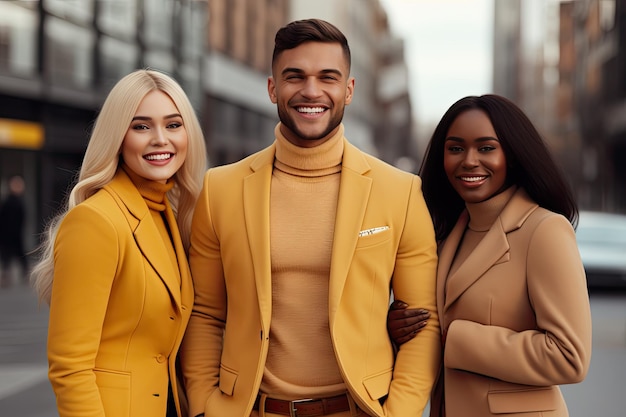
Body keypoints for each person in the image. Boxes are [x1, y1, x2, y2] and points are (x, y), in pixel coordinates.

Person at [179, 18, 440, 417]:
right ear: (272, 88)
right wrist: (205, 405)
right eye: (294, 76)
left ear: (349, 90)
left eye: (328, 77)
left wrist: (398, 412)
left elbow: (425, 323)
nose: (311, 91)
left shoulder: (400, 191)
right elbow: (206, 313)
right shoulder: (220, 189)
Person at [387, 94, 592, 417]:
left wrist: (455, 339)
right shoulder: (446, 233)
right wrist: (399, 329)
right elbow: (435, 324)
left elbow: (568, 357)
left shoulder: (545, 230)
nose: (469, 160)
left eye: (486, 148)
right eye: (455, 148)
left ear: (512, 155)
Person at [30, 69, 207, 417]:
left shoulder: (170, 216)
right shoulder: (95, 221)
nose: (160, 139)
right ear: (118, 137)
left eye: (173, 125)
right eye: (141, 126)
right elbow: (70, 368)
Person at [0, 175, 28, 287]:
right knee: (7, 255)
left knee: (20, 253)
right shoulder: (8, 202)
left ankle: (24, 273)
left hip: (16, 234)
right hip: (7, 234)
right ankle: (7, 275)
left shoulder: (19, 201)